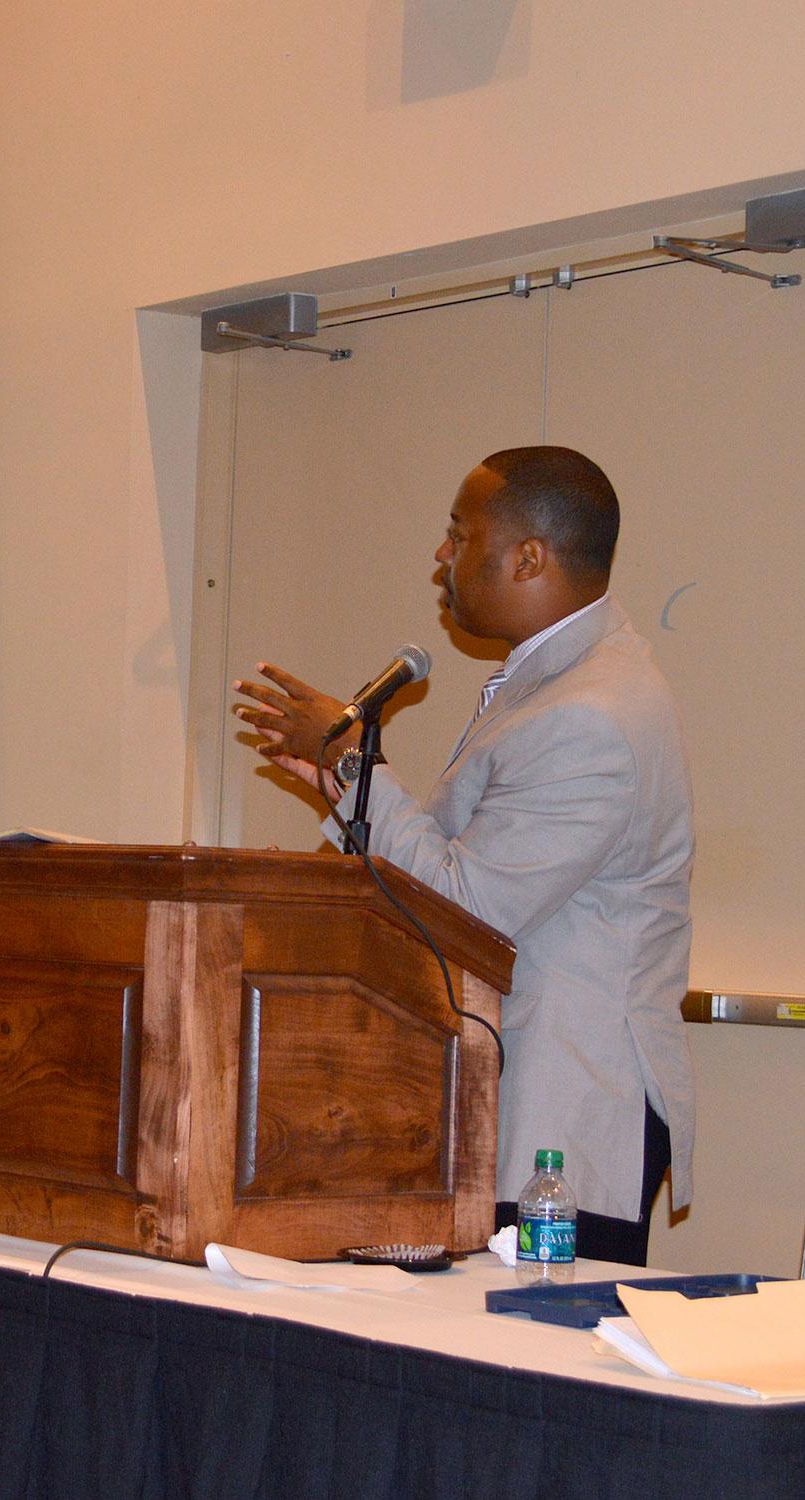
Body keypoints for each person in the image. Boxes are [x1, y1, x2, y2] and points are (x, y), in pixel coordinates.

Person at [232, 446, 692, 1264]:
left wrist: (351, 766)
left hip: (562, 1118)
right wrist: (347, 791)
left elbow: (470, 913)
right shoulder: (552, 684)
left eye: (456, 534)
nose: (441, 558)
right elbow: (448, 858)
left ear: (527, 557)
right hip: (514, 1099)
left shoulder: (590, 716)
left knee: (537, 1374)